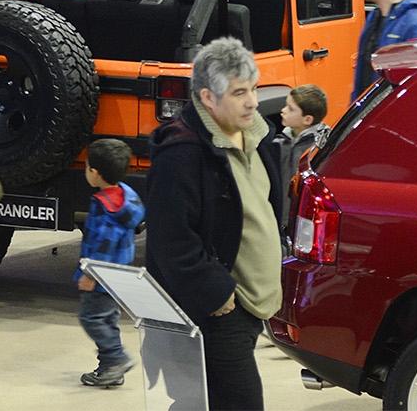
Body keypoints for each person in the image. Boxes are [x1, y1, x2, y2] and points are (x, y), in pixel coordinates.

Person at [145, 37, 282, 411]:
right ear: (208, 97)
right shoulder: (182, 153)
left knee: (198, 405)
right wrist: (215, 293)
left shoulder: (257, 135)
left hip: (253, 307)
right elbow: (169, 238)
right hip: (218, 313)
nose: (252, 101)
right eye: (239, 93)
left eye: (253, 89)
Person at [76, 138, 146, 387]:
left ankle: (116, 359)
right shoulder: (125, 197)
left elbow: (103, 246)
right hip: (119, 274)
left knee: (91, 318)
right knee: (107, 319)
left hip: (103, 278)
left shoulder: (106, 209)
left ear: (95, 173)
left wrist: (91, 275)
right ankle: (110, 369)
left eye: (86, 168)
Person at [273, 85, 331, 220]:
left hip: (301, 218)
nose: (283, 110)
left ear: (307, 120)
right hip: (280, 216)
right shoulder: (280, 142)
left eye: (290, 109)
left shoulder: (319, 148)